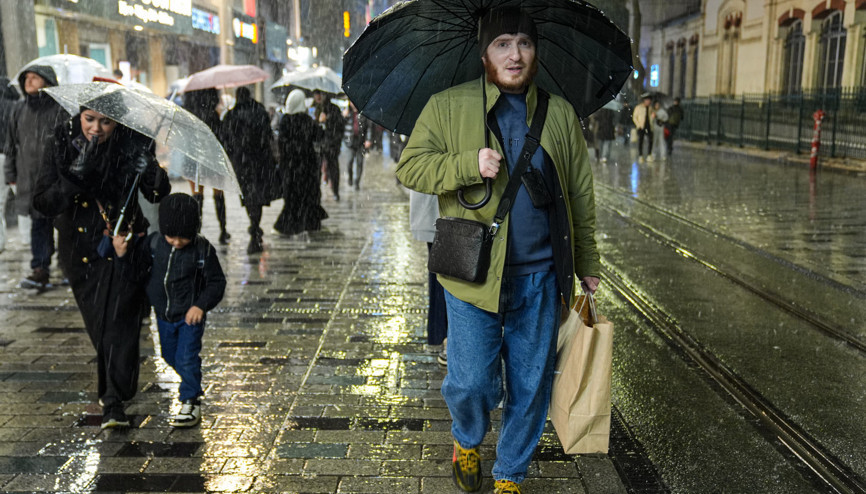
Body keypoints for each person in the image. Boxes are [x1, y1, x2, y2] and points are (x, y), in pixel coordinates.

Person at [395, 8, 601, 494]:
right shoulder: (448, 106)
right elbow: (411, 168)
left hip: (542, 275)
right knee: (470, 382)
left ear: (535, 52)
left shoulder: (560, 113)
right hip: (470, 273)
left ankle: (510, 474)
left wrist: (588, 264)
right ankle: (467, 437)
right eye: (503, 43)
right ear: (484, 53)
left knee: (530, 387)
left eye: (524, 43)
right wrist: (468, 163)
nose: (515, 54)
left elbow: (580, 193)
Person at [32, 100, 171, 429]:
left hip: (126, 244)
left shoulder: (133, 142)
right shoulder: (61, 142)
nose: (96, 128)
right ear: (79, 115)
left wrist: (150, 170)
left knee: (119, 321)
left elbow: (158, 193)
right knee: (102, 325)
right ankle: (118, 387)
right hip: (81, 251)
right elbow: (42, 202)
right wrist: (74, 178)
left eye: (105, 122)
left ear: (117, 123)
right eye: (89, 119)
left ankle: (112, 402)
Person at [112, 193, 225, 427]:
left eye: (183, 237)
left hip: (189, 317)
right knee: (169, 355)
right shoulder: (153, 245)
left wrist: (200, 305)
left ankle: (190, 400)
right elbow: (136, 272)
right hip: (163, 314)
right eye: (171, 236)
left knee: (186, 357)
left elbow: (216, 283)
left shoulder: (202, 250)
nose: (176, 242)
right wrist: (122, 255)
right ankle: (191, 378)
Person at [4, 66, 69, 289]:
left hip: (58, 179)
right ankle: (40, 268)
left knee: (64, 223)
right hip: (30, 179)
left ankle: (68, 266)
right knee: (38, 224)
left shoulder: (60, 109)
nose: (29, 82)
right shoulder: (19, 109)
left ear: (48, 82)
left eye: (35, 78)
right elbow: (11, 144)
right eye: (26, 78)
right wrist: (10, 174)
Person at [220, 86, 277, 254]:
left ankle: (254, 227)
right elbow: (268, 136)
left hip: (242, 164)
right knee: (258, 196)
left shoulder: (231, 115)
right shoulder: (260, 111)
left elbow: (226, 141)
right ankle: (255, 227)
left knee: (249, 197)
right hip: (260, 163)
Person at [274, 89, 328, 235]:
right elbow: (319, 136)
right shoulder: (306, 120)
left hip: (289, 167)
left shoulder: (284, 120)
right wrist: (321, 122)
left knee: (291, 197)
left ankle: (289, 225)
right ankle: (309, 223)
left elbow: (281, 143)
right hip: (306, 166)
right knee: (308, 195)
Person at [183, 89, 230, 244]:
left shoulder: (188, 116)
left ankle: (197, 229)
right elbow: (220, 137)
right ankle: (223, 230)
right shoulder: (212, 115)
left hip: (193, 158)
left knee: (197, 196)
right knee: (218, 195)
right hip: (211, 158)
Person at [408, 190, 448, 364]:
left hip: (441, 212)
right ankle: (444, 336)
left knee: (441, 275)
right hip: (441, 212)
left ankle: (440, 334)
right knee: (443, 275)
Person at [0, 77, 21, 253]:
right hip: (13, 156)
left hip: (5, 156)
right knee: (23, 199)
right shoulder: (16, 106)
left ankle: (0, 241)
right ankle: (27, 237)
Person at [312, 89, 345, 201]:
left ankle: (335, 191)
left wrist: (328, 120)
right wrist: (318, 123)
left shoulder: (334, 109)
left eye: (320, 94)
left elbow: (340, 127)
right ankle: (316, 193)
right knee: (316, 170)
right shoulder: (314, 109)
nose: (318, 96)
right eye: (316, 94)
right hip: (318, 144)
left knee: (333, 168)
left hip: (331, 144)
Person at [345, 101, 372, 190]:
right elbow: (341, 126)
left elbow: (369, 127)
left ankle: (357, 182)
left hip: (361, 142)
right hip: (350, 142)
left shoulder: (364, 113)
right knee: (349, 161)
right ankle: (350, 177)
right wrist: (344, 116)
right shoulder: (347, 113)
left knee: (360, 162)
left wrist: (368, 139)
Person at [632, 95, 653, 162]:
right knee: (641, 141)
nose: (648, 102)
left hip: (649, 126)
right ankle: (640, 155)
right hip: (641, 127)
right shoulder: (639, 107)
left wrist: (653, 116)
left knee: (650, 140)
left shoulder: (650, 108)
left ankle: (649, 155)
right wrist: (638, 125)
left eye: (649, 100)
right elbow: (634, 117)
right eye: (647, 100)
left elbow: (651, 117)